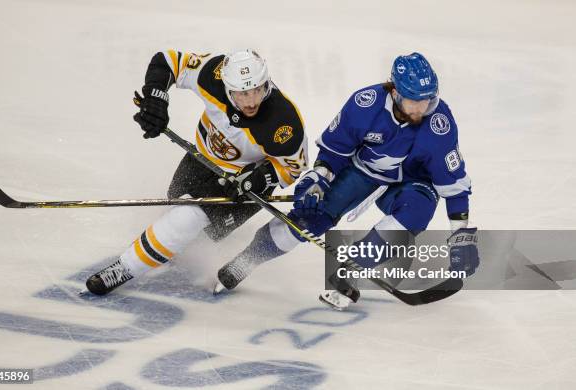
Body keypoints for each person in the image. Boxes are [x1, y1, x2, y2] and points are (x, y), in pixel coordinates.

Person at [214, 52, 479, 309]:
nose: (423, 108)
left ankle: (352, 269)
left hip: (410, 182)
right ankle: (247, 259)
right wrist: (318, 180)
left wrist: (461, 236)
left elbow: (453, 184)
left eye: (428, 100)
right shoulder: (366, 104)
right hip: (361, 171)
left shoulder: (439, 124)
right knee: (309, 218)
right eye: (415, 101)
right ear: (396, 92)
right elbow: (333, 152)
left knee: (418, 210)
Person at [85, 49, 308, 295]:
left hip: (242, 183)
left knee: (187, 220)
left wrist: (260, 178)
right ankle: (164, 247)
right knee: (179, 207)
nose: (252, 101)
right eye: (243, 94)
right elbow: (169, 61)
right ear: (227, 87)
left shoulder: (283, 122)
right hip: (200, 160)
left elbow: (294, 167)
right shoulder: (212, 75)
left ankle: (124, 268)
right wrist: (156, 98)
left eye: (258, 90)